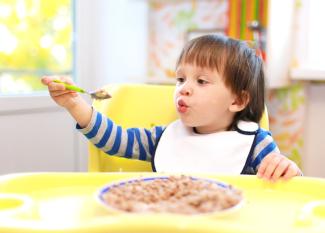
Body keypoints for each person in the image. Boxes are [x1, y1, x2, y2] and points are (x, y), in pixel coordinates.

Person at [42, 34, 302, 181]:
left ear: (237, 101)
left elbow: (285, 190)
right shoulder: (164, 137)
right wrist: (75, 105)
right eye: (180, 79)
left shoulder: (256, 144)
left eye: (201, 81)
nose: (184, 88)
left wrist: (288, 171)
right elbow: (115, 140)